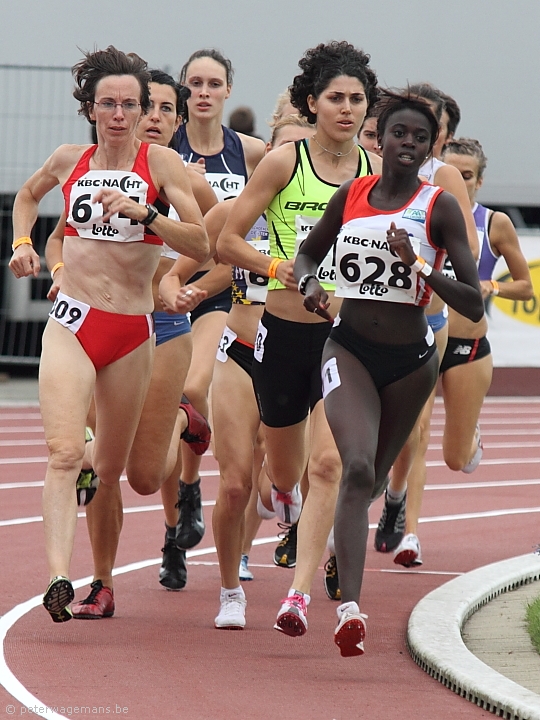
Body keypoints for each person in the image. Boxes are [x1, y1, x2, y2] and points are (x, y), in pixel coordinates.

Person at [8, 47, 209, 623]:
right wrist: (23, 245)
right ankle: (57, 578)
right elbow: (26, 197)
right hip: (72, 323)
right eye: (107, 104)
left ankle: (105, 573)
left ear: (144, 109)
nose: (118, 114)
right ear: (90, 109)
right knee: (65, 451)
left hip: (131, 333)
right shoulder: (70, 159)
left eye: (128, 104)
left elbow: (201, 244)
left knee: (123, 475)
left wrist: (145, 214)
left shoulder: (163, 165)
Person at [293, 90, 483, 656]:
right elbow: (309, 252)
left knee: (371, 480)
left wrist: (418, 263)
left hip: (412, 364)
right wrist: (307, 282)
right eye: (397, 133)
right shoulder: (351, 195)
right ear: (378, 139)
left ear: (430, 148)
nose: (407, 144)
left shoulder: (439, 206)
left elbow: (473, 303)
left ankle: (360, 523)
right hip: (347, 347)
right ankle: (349, 608)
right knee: (352, 469)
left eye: (419, 138)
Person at [217, 41, 381, 634]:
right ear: (312, 103)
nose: (346, 109)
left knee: (330, 466)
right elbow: (228, 241)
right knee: (285, 472)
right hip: (284, 331)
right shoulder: (284, 163)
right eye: (335, 98)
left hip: (348, 338)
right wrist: (277, 269)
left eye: (357, 100)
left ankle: (298, 595)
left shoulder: (377, 174)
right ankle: (276, 501)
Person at [380, 137, 535, 566]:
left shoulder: (494, 224)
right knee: (418, 430)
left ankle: (471, 437)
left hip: (468, 344)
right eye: (453, 174)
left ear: (480, 182)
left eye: (467, 176)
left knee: (455, 458)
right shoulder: (423, 214)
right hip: (428, 334)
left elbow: (525, 283)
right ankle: (410, 533)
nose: (459, 182)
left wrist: (494, 285)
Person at [211, 114, 315, 628]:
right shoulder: (239, 210)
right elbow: (199, 254)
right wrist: (172, 287)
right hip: (240, 347)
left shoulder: (328, 208)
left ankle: (288, 501)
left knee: (288, 469)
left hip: (299, 343)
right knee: (233, 483)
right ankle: (232, 589)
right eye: (288, 150)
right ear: (269, 156)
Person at [373, 83, 479, 564]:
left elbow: (469, 253)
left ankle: (402, 515)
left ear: (439, 136)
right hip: (362, 316)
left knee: (414, 427)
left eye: (428, 130)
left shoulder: (446, 179)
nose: (416, 139)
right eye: (404, 128)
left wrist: (421, 264)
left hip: (426, 319)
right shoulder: (370, 168)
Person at [172, 50, 266, 555]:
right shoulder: (162, 146)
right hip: (163, 284)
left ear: (229, 90)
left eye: (213, 83)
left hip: (219, 289)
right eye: (195, 84)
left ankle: (189, 485)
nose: (203, 92)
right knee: (156, 419)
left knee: (192, 385)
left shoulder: (251, 153)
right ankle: (179, 508)